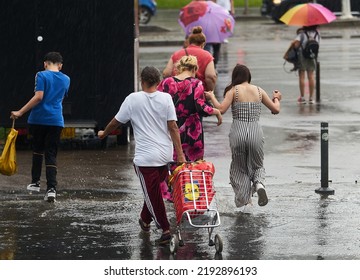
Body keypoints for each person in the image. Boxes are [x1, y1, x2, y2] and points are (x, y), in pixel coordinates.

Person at [98, 66, 185, 245]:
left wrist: (104, 133)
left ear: (142, 81)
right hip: (164, 156)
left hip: (145, 159)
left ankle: (166, 230)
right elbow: (173, 127)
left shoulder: (132, 99)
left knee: (153, 195)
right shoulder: (166, 98)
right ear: (159, 82)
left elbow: (116, 122)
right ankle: (145, 220)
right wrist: (181, 155)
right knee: (152, 193)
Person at [205, 64, 281, 211]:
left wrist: (212, 96)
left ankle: (245, 202)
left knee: (239, 168)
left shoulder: (234, 91)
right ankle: (259, 184)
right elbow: (275, 109)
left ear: (236, 77)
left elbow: (221, 109)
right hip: (255, 132)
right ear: (249, 76)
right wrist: (277, 98)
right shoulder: (259, 90)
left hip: (238, 132)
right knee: (257, 165)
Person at [10, 52, 70, 202]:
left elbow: (39, 97)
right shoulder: (66, 79)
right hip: (56, 121)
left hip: (38, 119)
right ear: (60, 66)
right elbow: (60, 98)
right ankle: (51, 189)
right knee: (51, 153)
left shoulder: (41, 75)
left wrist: (20, 112)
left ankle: (35, 182)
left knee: (37, 151)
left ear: (45, 64)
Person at [158, 55, 222, 162]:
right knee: (193, 166)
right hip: (191, 130)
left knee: (173, 161)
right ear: (195, 69)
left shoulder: (167, 82)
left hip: (170, 127)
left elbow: (157, 101)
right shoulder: (196, 83)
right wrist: (216, 111)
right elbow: (200, 107)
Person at [162, 26, 217, 91]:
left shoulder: (176, 54)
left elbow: (166, 73)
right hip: (198, 92)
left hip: (177, 91)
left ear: (189, 42)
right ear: (203, 43)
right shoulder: (207, 56)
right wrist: (210, 91)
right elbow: (210, 76)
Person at [292, 25, 320, 104]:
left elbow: (296, 45)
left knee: (302, 76)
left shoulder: (302, 34)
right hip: (312, 56)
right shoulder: (317, 33)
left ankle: (303, 97)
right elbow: (318, 45)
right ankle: (311, 98)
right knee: (311, 76)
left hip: (302, 56)